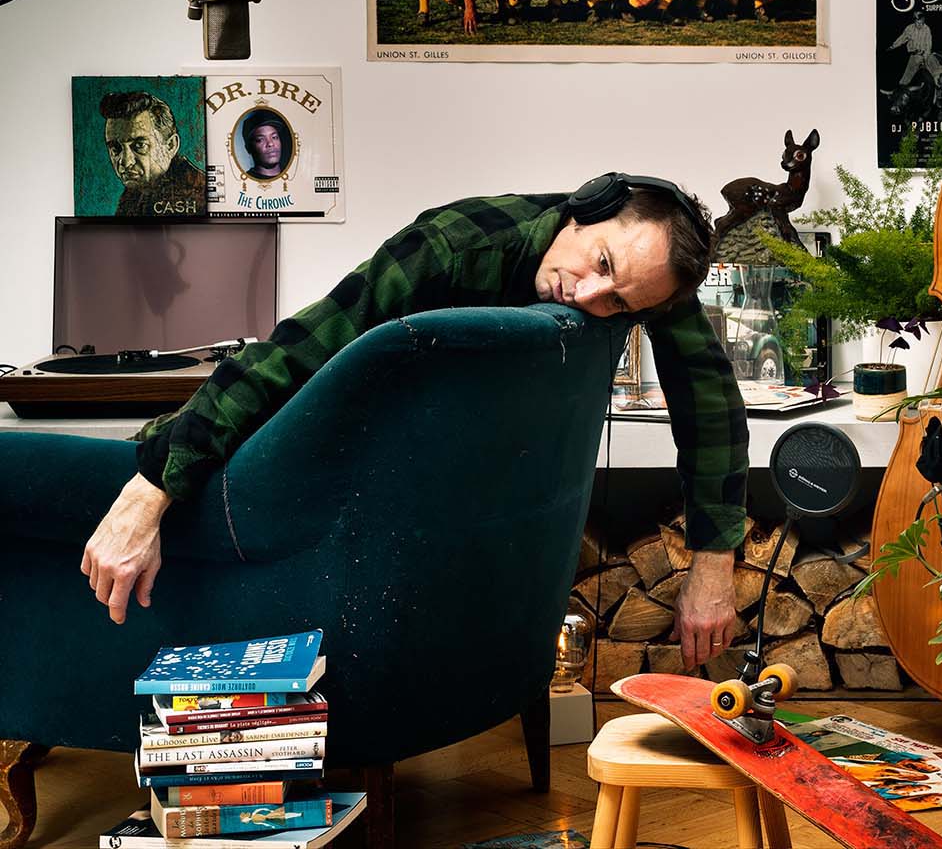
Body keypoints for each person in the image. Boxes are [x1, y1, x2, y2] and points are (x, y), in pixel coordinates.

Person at [81, 174, 747, 670]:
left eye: (621, 301)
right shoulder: (451, 248)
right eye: (601, 264)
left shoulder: (648, 277)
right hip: (324, 491)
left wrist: (713, 566)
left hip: (447, 529)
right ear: (583, 208)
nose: (592, 296)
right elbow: (298, 353)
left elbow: (711, 398)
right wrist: (149, 489)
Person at [99, 91, 205, 216]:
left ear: (171, 146)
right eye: (116, 149)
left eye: (140, 145)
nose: (126, 162)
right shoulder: (134, 193)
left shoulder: (199, 195)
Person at [888, 9, 942, 88]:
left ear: (924, 20)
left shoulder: (927, 29)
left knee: (933, 62)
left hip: (924, 54)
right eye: (918, 22)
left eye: (921, 22)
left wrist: (925, 56)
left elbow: (928, 44)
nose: (920, 24)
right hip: (914, 54)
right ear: (914, 20)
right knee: (911, 68)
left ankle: (938, 83)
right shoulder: (909, 28)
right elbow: (902, 38)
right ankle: (902, 87)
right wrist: (893, 46)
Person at [240, 110, 289, 181]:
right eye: (260, 140)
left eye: (274, 137)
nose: (270, 144)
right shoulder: (244, 181)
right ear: (248, 148)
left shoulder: (294, 175)